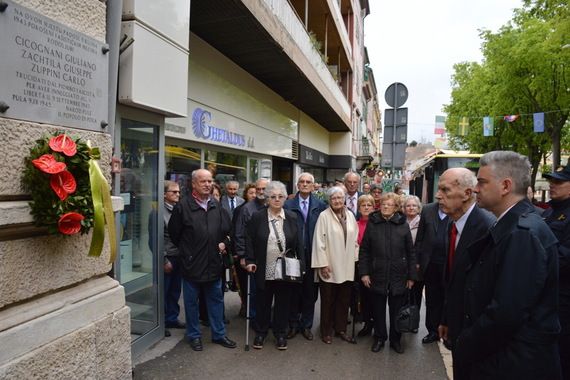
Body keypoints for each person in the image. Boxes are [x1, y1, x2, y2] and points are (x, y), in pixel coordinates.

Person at [454, 151, 560, 379]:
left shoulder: (523, 234)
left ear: (505, 186)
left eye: (481, 182)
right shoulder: (513, 226)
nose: (475, 189)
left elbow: (506, 313)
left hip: (512, 364)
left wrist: (466, 342)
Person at [434, 168, 495, 376]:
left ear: (468, 194)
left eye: (445, 190)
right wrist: (446, 318)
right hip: (457, 325)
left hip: (476, 334)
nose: (437, 195)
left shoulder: (486, 228)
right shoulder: (450, 223)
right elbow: (453, 279)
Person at [168, 169, 236, 351]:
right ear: (193, 184)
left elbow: (227, 231)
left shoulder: (216, 205)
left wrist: (223, 243)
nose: (207, 184)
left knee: (216, 302)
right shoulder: (183, 207)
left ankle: (219, 335)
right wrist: (188, 252)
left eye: (209, 181)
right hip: (192, 265)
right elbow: (175, 234)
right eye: (203, 181)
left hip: (214, 264)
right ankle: (194, 336)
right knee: (191, 305)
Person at [245, 181, 302, 350]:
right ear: (267, 198)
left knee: (283, 302)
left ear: (285, 198)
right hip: (264, 266)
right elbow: (250, 240)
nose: (277, 199)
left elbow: (299, 243)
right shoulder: (257, 217)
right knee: (263, 301)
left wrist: (302, 266)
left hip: (285, 268)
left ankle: (280, 334)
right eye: (273, 196)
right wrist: (249, 261)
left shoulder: (291, 216)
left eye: (280, 196)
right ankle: (261, 333)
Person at [359, 192, 417, 354]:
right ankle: (379, 338)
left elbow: (410, 252)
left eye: (389, 204)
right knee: (378, 310)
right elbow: (364, 250)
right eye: (383, 204)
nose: (385, 206)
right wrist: (364, 273)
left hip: (399, 275)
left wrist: (412, 276)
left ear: (396, 207)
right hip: (377, 274)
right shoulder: (373, 223)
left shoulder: (402, 224)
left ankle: (395, 340)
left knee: (396, 311)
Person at [312, 186, 359, 344]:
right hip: (330, 266)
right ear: (329, 200)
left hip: (347, 266)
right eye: (334, 198)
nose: (337, 201)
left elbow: (355, 241)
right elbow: (319, 243)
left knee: (344, 300)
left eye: (340, 197)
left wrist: (356, 260)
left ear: (344, 198)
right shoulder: (323, 216)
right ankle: (326, 331)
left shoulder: (351, 216)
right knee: (328, 301)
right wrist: (323, 264)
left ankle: (341, 329)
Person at [284, 173, 327, 341]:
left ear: (313, 185)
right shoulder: (288, 204)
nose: (305, 184)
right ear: (297, 185)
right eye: (302, 181)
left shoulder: (320, 205)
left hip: (313, 254)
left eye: (308, 182)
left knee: (310, 292)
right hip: (294, 255)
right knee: (293, 291)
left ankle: (306, 325)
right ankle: (293, 324)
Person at [543, 162, 570, 379]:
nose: (552, 185)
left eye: (559, 182)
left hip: (564, 298)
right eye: (551, 181)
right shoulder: (550, 212)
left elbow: (563, 256)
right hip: (547, 296)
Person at [413, 201, 449, 344]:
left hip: (449, 263)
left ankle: (447, 329)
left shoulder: (457, 207)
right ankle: (433, 331)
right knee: (432, 299)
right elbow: (420, 238)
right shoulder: (428, 210)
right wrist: (417, 261)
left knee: (448, 298)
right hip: (430, 263)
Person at [162, 180, 185, 335]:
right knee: (164, 291)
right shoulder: (158, 213)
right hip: (168, 257)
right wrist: (164, 260)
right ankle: (161, 323)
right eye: (173, 192)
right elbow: (156, 239)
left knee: (175, 290)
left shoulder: (179, 209)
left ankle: (172, 318)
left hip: (179, 256)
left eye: (178, 192)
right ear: (164, 194)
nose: (177, 194)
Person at [231, 183, 257, 317]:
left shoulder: (262, 207)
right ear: (246, 194)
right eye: (251, 193)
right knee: (244, 283)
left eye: (255, 192)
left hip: (255, 254)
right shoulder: (241, 209)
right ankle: (245, 306)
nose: (253, 195)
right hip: (243, 253)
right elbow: (237, 232)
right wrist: (239, 253)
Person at [355, 194, 376, 337]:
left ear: (374, 208)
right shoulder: (355, 225)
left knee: (376, 297)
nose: (366, 207)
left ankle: (377, 323)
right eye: (363, 205)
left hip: (376, 265)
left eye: (369, 205)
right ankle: (367, 323)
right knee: (364, 297)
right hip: (360, 265)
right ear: (359, 208)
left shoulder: (377, 224)